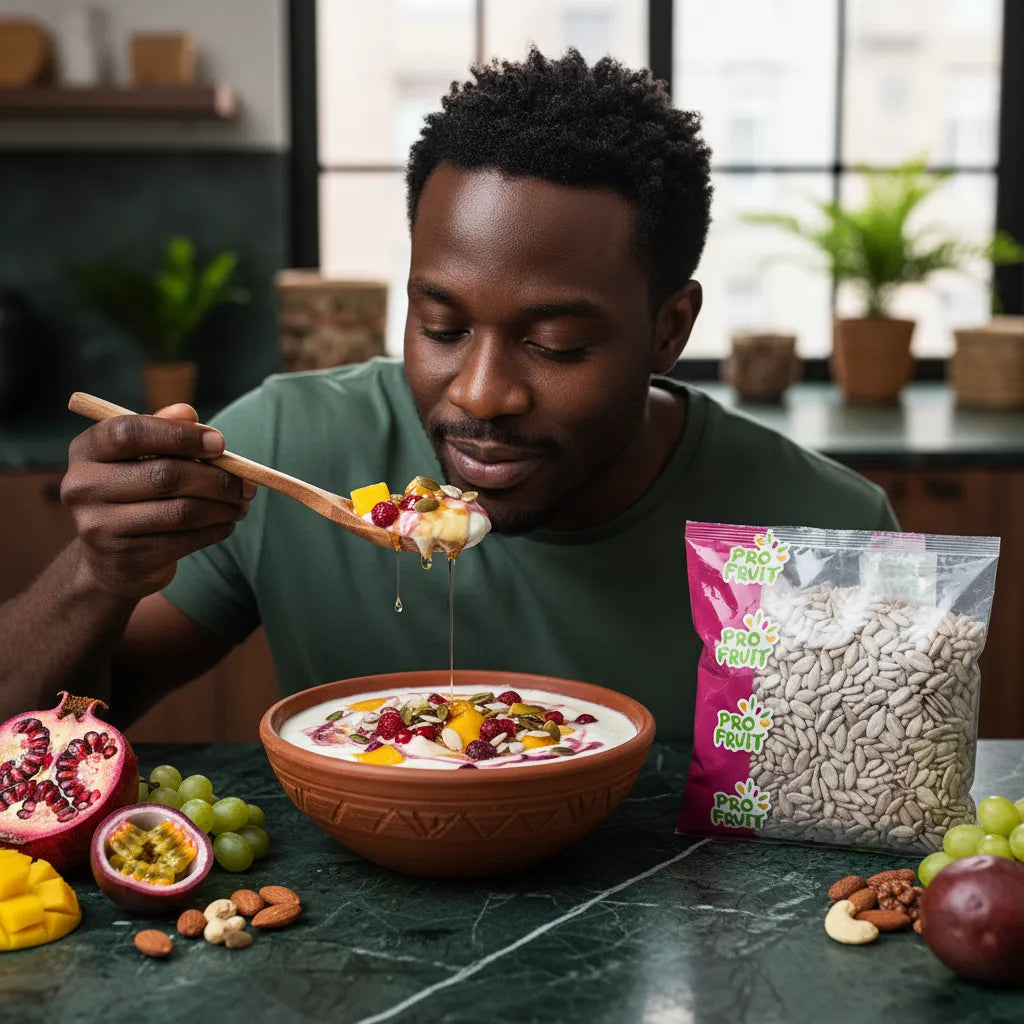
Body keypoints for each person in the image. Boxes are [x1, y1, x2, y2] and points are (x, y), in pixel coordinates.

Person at [0, 49, 895, 739]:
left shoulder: (823, 527)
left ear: (669, 330)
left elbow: (852, 840)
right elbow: (49, 731)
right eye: (441, 326)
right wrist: (95, 574)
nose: (482, 393)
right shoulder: (287, 445)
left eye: (557, 344)